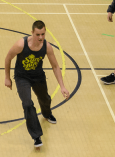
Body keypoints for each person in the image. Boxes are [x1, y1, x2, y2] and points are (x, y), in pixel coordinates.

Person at [4, 20, 69, 148]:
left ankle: (46, 113)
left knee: (44, 98)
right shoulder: (20, 44)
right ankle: (36, 136)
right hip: (22, 77)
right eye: (38, 34)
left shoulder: (47, 46)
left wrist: (62, 86)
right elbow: (8, 58)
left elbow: (55, 66)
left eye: (43, 34)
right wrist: (7, 78)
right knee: (27, 103)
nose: (40, 37)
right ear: (32, 32)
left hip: (38, 76)